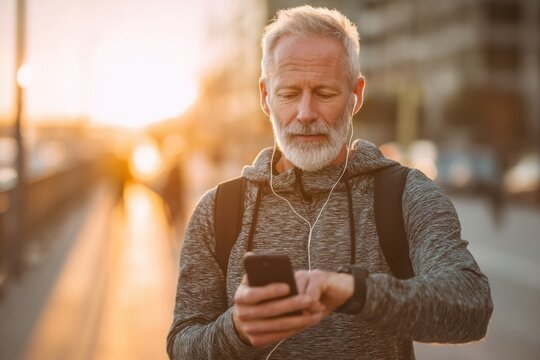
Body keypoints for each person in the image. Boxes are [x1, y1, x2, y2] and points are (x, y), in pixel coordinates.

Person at [167, 6, 493, 359]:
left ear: (357, 94)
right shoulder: (218, 211)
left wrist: (354, 290)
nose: (305, 114)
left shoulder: (406, 194)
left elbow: (471, 307)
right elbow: (183, 345)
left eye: (324, 93)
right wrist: (237, 331)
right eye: (289, 94)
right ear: (265, 96)